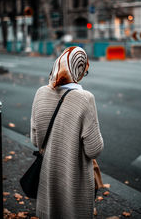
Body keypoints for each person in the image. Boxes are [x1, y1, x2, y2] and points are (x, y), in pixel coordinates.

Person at [31, 46, 104, 219]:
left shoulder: (40, 93)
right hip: (75, 182)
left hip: (48, 180)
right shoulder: (85, 99)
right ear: (78, 70)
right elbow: (94, 150)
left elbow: (35, 140)